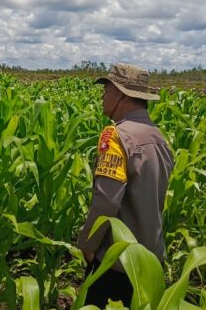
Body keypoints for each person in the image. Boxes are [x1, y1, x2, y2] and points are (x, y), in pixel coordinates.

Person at [77, 63, 175, 307]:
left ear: (123, 95)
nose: (103, 97)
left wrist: (88, 245)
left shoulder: (116, 136)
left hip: (117, 261)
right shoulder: (159, 138)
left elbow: (107, 199)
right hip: (150, 262)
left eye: (107, 91)